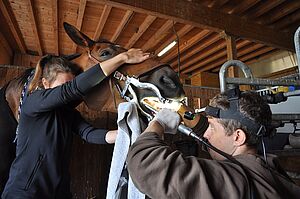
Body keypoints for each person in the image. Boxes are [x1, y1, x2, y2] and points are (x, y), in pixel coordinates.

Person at [2, 49, 150, 199]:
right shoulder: (33, 102)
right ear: (46, 84)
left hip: (60, 193)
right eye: (62, 85)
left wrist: (127, 134)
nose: (67, 92)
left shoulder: (68, 113)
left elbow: (89, 134)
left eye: (69, 83)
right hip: (25, 193)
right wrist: (123, 57)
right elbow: (70, 90)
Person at [126, 89, 300, 198]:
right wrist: (188, 115)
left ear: (238, 138)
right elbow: (212, 135)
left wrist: (158, 124)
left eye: (211, 127)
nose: (206, 134)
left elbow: (145, 163)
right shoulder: (270, 173)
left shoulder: (236, 181)